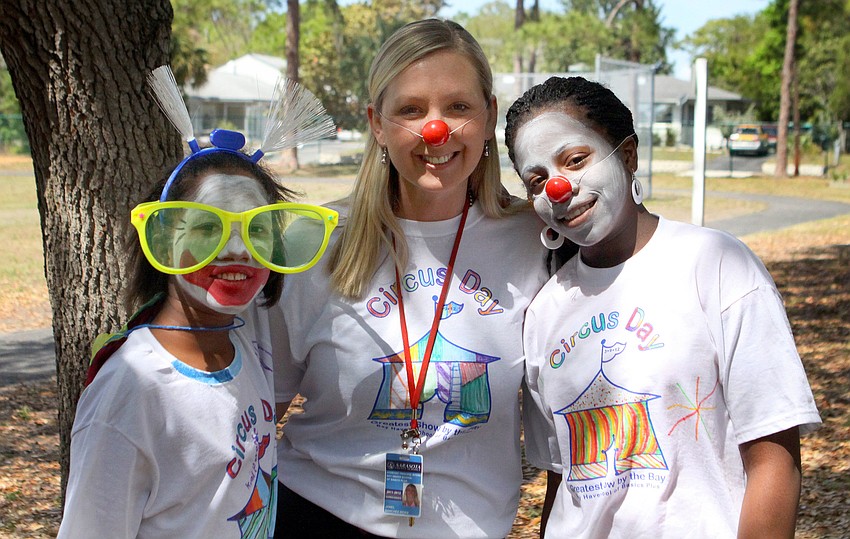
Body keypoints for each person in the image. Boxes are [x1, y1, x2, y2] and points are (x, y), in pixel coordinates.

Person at [503, 75, 822, 538]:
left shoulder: (717, 265)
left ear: (628, 155)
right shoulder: (544, 312)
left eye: (575, 160)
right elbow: (565, 479)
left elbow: (776, 462)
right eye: (537, 180)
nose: (558, 189)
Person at [272, 18, 550, 538]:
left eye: (458, 107)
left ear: (489, 114)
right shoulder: (318, 245)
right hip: (319, 514)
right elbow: (258, 411)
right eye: (410, 110)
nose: (435, 130)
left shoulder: (537, 241)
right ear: (377, 124)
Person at [57, 67, 337, 538]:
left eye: (257, 230)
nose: (237, 251)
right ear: (163, 239)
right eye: (207, 228)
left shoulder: (241, 343)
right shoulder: (131, 392)